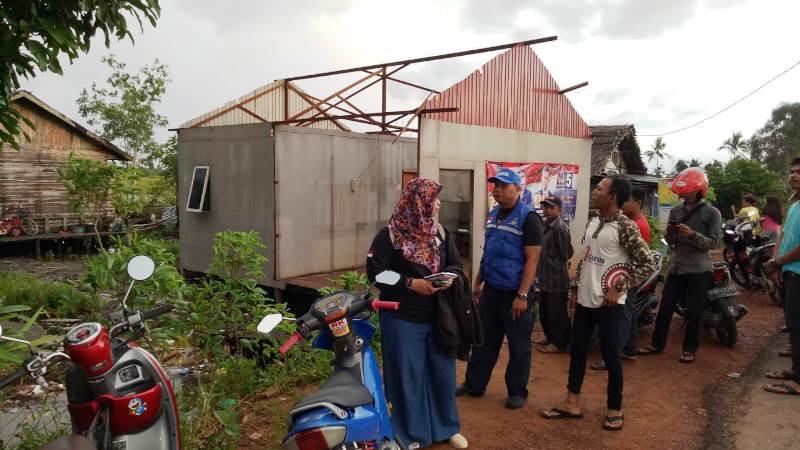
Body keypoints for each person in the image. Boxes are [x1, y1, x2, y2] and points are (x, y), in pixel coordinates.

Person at [540, 176, 655, 431]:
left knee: (611, 356)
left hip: (609, 305)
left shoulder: (626, 227)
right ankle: (572, 402)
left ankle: (615, 408)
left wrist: (619, 287)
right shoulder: (593, 222)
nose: (594, 192)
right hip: (585, 300)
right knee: (577, 350)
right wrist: (575, 289)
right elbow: (586, 258)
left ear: (612, 197)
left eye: (600, 189)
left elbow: (646, 263)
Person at [366, 178, 467, 449]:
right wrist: (410, 284)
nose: (439, 204)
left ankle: (446, 428)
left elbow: (456, 264)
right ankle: (411, 434)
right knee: (407, 378)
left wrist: (447, 278)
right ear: (418, 203)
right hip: (401, 319)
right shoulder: (389, 236)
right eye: (434, 199)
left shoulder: (440, 233)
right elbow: (377, 274)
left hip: (439, 318)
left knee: (442, 374)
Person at [455, 168, 543, 409]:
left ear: (518, 189)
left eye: (504, 186)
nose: (498, 190)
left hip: (515, 294)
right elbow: (489, 250)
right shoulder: (494, 213)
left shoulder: (529, 218)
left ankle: (517, 391)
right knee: (484, 341)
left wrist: (522, 295)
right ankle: (474, 384)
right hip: (491, 291)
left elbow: (532, 260)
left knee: (519, 346)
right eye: (496, 186)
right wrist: (478, 281)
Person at [639, 167, 722, 363]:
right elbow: (671, 241)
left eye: (688, 192)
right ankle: (657, 344)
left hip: (698, 269)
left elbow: (713, 243)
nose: (683, 195)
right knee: (665, 308)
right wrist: (669, 233)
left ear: (699, 191)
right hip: (676, 267)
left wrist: (692, 235)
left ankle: (689, 349)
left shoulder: (712, 213)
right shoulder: (676, 210)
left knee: (695, 311)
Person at [591, 186, 651, 370]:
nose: (623, 203)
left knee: (624, 315)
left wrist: (622, 283)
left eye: (627, 200)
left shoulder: (635, 225)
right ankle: (630, 350)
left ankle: (612, 356)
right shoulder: (632, 222)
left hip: (626, 277)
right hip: (625, 275)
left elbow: (641, 259)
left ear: (638, 203)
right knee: (629, 314)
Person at [764, 158, 800, 395]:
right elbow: (783, 236)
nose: (793, 176)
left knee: (798, 326)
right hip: (789, 272)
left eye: (799, 172)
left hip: (797, 273)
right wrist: (775, 264)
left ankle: (798, 381)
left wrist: (778, 262)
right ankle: (795, 371)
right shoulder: (795, 206)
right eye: (792, 172)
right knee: (793, 326)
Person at [534, 195, 574, 353]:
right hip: (544, 277)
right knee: (545, 311)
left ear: (559, 210)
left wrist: (553, 261)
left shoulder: (560, 228)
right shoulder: (545, 225)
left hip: (556, 278)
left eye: (551, 207)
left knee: (557, 313)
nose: (547, 210)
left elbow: (567, 253)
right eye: (546, 207)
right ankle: (550, 336)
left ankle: (559, 343)